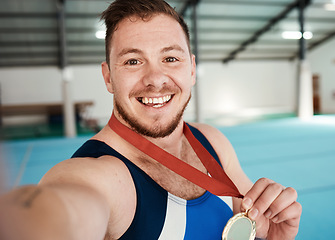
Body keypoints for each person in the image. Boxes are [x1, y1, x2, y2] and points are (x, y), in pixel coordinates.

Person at [0, 0, 302, 239]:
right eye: (133, 61)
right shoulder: (101, 177)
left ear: (192, 69)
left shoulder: (212, 141)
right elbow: (56, 212)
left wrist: (272, 237)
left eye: (170, 58)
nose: (156, 79)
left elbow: (251, 222)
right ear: (108, 77)